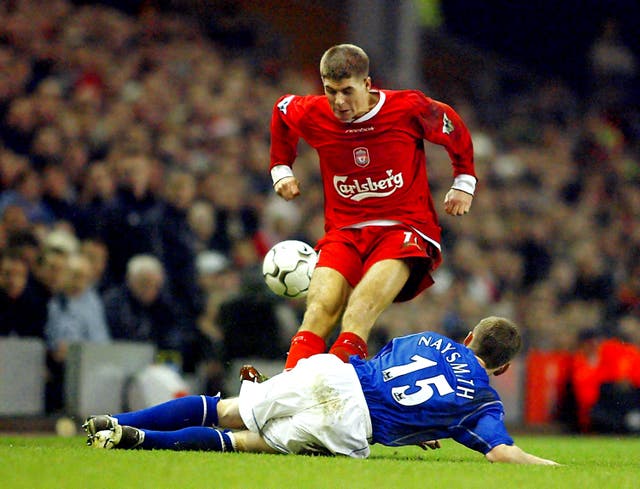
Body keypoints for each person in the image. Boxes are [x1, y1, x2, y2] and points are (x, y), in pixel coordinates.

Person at [83, 316, 558, 465]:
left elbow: (391, 371)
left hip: (336, 374)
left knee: (225, 408)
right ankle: (138, 442)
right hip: (352, 423)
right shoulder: (485, 399)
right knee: (246, 442)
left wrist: (420, 421)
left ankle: (119, 425)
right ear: (504, 367)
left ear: (470, 337)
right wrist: (552, 466)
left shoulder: (427, 339)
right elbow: (501, 454)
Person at [268, 44, 476, 369]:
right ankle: (289, 397)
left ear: (367, 84)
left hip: (403, 231)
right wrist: (281, 167)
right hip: (344, 232)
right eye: (330, 91)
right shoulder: (313, 111)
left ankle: (333, 394)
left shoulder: (407, 107)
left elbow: (452, 126)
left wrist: (464, 181)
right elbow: (281, 110)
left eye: (347, 91)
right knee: (319, 309)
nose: (339, 102)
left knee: (359, 308)